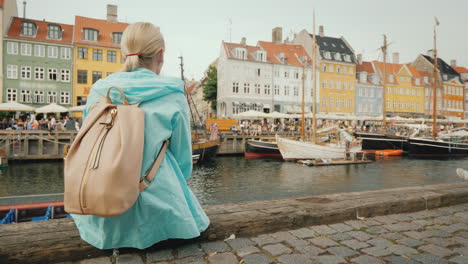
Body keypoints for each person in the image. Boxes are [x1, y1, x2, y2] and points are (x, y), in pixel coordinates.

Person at [71, 22, 209, 250]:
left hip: (104, 206)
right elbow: (183, 159)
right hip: (160, 207)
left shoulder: (99, 90)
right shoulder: (172, 93)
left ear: (123, 53)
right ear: (161, 54)